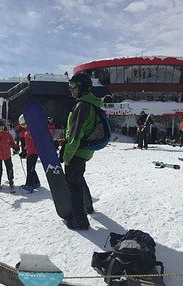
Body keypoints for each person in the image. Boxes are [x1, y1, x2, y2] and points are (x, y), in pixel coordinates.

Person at [62, 72, 107, 230]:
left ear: (81, 88)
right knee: (78, 180)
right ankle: (87, 208)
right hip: (84, 151)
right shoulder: (91, 104)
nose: (71, 90)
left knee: (74, 187)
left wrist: (67, 156)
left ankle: (80, 222)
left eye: (73, 86)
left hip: (77, 153)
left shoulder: (82, 106)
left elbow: (75, 135)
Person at [16, 115, 41, 191]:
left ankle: (29, 185)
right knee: (31, 168)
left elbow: (38, 142)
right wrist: (24, 150)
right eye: (22, 125)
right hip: (29, 152)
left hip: (34, 153)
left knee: (30, 169)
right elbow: (28, 143)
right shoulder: (27, 132)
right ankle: (36, 182)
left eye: (25, 124)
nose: (24, 126)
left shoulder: (34, 131)